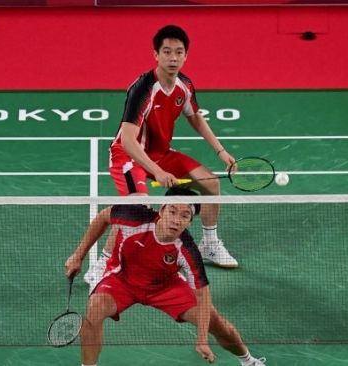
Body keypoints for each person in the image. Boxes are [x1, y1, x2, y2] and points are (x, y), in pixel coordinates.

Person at [85, 24, 238, 290]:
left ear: (186, 56)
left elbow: (196, 117)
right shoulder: (143, 89)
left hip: (161, 154)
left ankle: (210, 244)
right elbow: (127, 140)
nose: (173, 58)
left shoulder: (184, 85)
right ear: (156, 55)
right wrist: (156, 171)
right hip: (128, 156)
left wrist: (221, 151)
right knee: (137, 205)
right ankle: (102, 263)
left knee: (211, 183)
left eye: (179, 52)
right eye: (166, 52)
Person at [66, 188, 266, 366]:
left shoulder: (187, 249)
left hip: (165, 287)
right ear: (162, 210)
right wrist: (78, 255)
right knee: (95, 309)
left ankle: (248, 361)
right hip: (122, 278)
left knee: (215, 321)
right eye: (172, 211)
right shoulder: (135, 217)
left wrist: (202, 339)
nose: (176, 219)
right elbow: (103, 217)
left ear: (190, 221)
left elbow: (203, 295)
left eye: (185, 215)